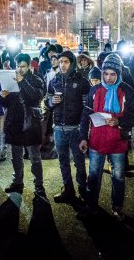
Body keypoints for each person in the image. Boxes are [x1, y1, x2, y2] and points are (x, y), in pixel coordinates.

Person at [78, 53, 134, 220]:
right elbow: (85, 115)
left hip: (118, 142)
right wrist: (83, 137)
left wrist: (118, 121)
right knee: (94, 176)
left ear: (119, 73)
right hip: (96, 142)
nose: (109, 78)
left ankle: (117, 207)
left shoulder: (127, 90)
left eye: (113, 74)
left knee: (118, 177)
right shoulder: (95, 90)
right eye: (105, 74)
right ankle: (91, 206)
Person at [46, 51, 90, 203]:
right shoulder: (55, 80)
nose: (62, 65)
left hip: (75, 130)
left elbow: (87, 108)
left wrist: (83, 130)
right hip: (58, 129)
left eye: (65, 62)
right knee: (63, 161)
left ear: (72, 63)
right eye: (60, 62)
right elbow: (47, 101)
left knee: (79, 162)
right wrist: (52, 102)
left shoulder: (82, 81)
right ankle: (68, 190)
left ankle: (84, 191)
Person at [0, 53, 46, 197]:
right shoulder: (12, 79)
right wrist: (3, 97)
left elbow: (35, 97)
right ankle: (17, 181)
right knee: (15, 156)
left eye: (23, 66)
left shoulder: (37, 79)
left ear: (30, 66)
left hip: (31, 124)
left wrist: (22, 81)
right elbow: (6, 105)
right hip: (15, 123)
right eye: (18, 66)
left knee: (35, 157)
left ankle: (39, 185)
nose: (19, 69)